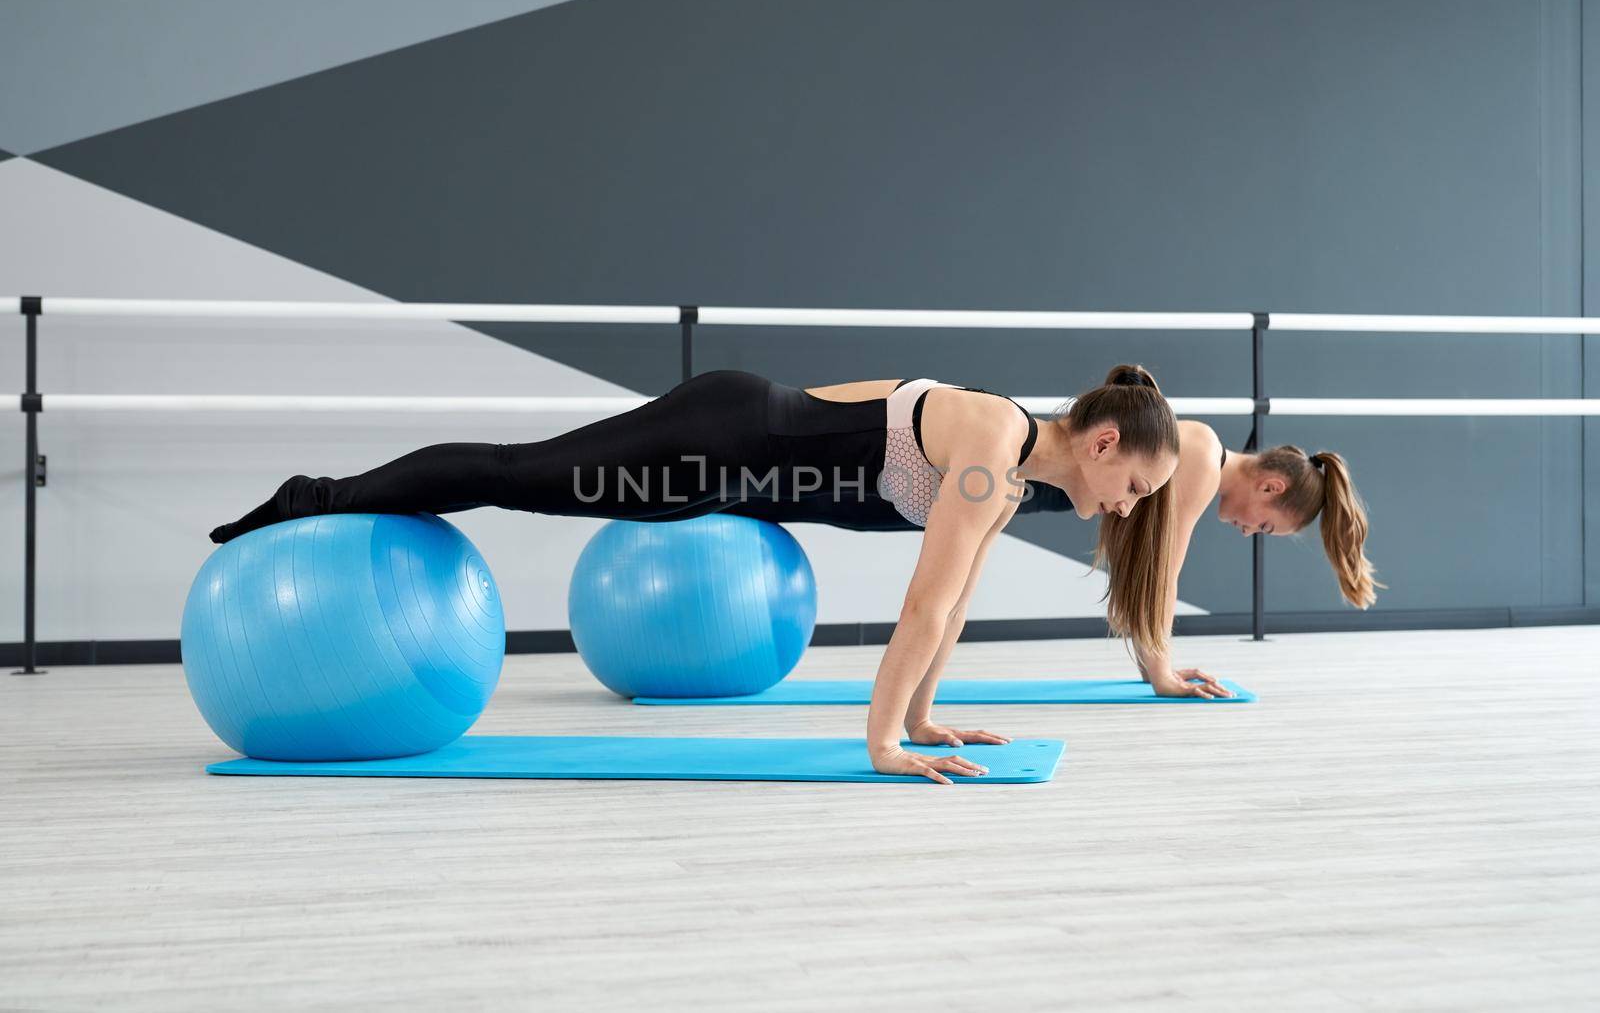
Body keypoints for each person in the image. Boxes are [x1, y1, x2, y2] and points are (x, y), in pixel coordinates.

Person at [207, 364, 1181, 784]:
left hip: (723, 479)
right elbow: (921, 604)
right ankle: (315, 497)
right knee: (517, 475)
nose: (1129, 507)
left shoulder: (1009, 482)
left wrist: (926, 718)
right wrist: (882, 741)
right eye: (1134, 484)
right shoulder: (987, 439)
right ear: (1102, 442)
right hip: (713, 435)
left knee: (522, 480)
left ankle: (321, 495)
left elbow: (955, 605)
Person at [1010, 421, 1382, 694]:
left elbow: (1149, 576)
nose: (1249, 532)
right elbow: (1162, 576)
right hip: (1036, 472)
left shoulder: (1204, 447)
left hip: (1042, 479)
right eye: (1265, 526)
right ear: (1270, 487)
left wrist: (1152, 668)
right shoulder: (1202, 460)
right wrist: (1162, 676)